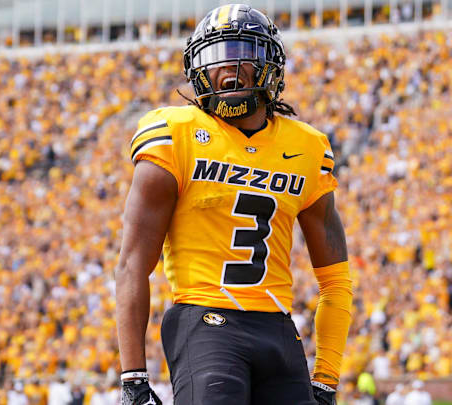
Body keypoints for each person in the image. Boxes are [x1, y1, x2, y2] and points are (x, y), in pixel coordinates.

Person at [115, 4, 353, 405]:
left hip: (278, 329)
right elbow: (132, 265)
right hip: (204, 322)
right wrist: (133, 378)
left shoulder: (308, 147)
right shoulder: (176, 134)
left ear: (271, 66)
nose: (228, 68)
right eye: (215, 58)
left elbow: (335, 281)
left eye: (242, 53)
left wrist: (327, 379)